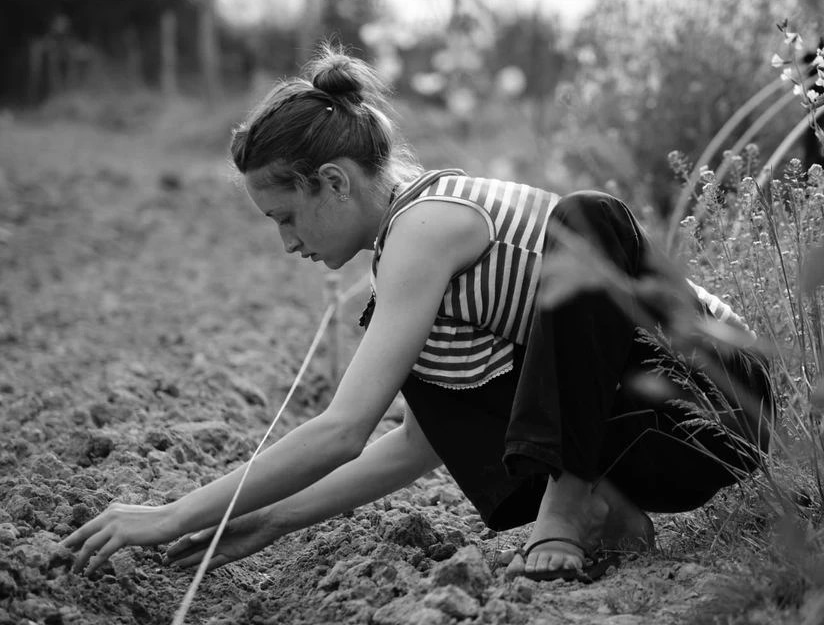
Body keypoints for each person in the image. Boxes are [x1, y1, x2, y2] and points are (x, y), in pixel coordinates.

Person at [61, 47, 775, 583]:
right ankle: (603, 508)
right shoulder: (404, 257)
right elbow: (420, 443)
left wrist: (171, 513)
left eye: (286, 217)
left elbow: (343, 429)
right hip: (650, 428)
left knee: (586, 219)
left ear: (333, 182)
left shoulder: (427, 225)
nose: (287, 243)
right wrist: (266, 519)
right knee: (425, 367)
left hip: (711, 394)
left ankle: (568, 503)